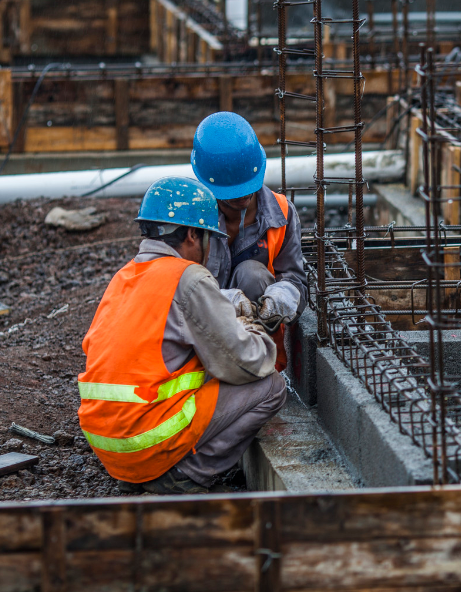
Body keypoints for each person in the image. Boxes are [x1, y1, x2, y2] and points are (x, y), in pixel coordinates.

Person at [78, 177, 287, 494]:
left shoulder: (124, 277)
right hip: (144, 441)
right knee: (270, 385)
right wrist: (251, 326)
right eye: (207, 239)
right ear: (192, 234)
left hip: (107, 444)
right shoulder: (186, 277)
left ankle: (147, 470)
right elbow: (248, 362)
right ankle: (186, 474)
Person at [191, 112, 307, 370]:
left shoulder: (282, 213)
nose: (243, 199)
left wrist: (283, 296)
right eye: (233, 195)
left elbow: (296, 279)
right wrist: (219, 301)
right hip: (199, 329)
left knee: (252, 274)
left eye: (247, 190)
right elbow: (172, 284)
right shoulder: (193, 216)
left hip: (256, 340)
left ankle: (258, 366)